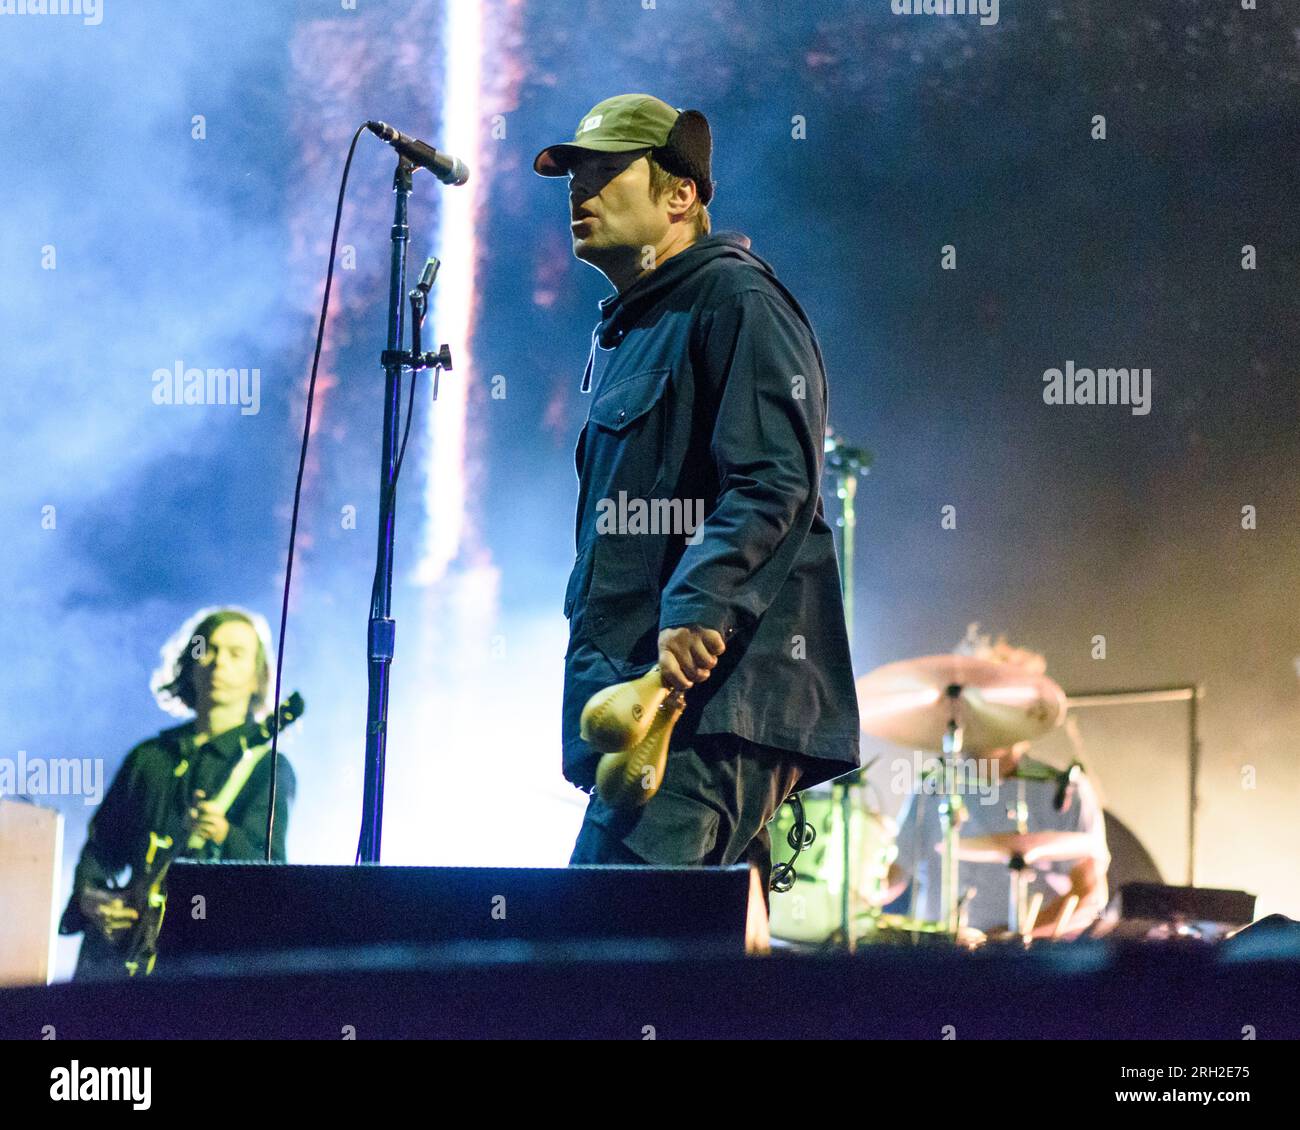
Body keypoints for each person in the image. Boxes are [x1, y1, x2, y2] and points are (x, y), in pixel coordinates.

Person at [533, 93, 861, 891]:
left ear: (681, 194)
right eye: (575, 176)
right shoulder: (640, 329)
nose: (582, 192)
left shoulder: (735, 302)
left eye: (608, 172)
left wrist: (699, 604)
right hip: (662, 707)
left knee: (600, 951)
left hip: (709, 707)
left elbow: (775, 476)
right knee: (683, 966)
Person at [59, 607, 296, 977]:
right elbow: (102, 847)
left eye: (236, 654)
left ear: (257, 677)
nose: (219, 664)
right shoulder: (149, 757)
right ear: (191, 664)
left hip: (204, 958)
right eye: (210, 650)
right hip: (117, 957)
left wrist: (224, 834)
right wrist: (92, 896)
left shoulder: (267, 769)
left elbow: (272, 875)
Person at [883, 630, 1110, 937]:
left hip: (1029, 967)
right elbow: (892, 876)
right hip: (938, 964)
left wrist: (1015, 937)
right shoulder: (934, 785)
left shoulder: (1063, 790)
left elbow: (1090, 893)